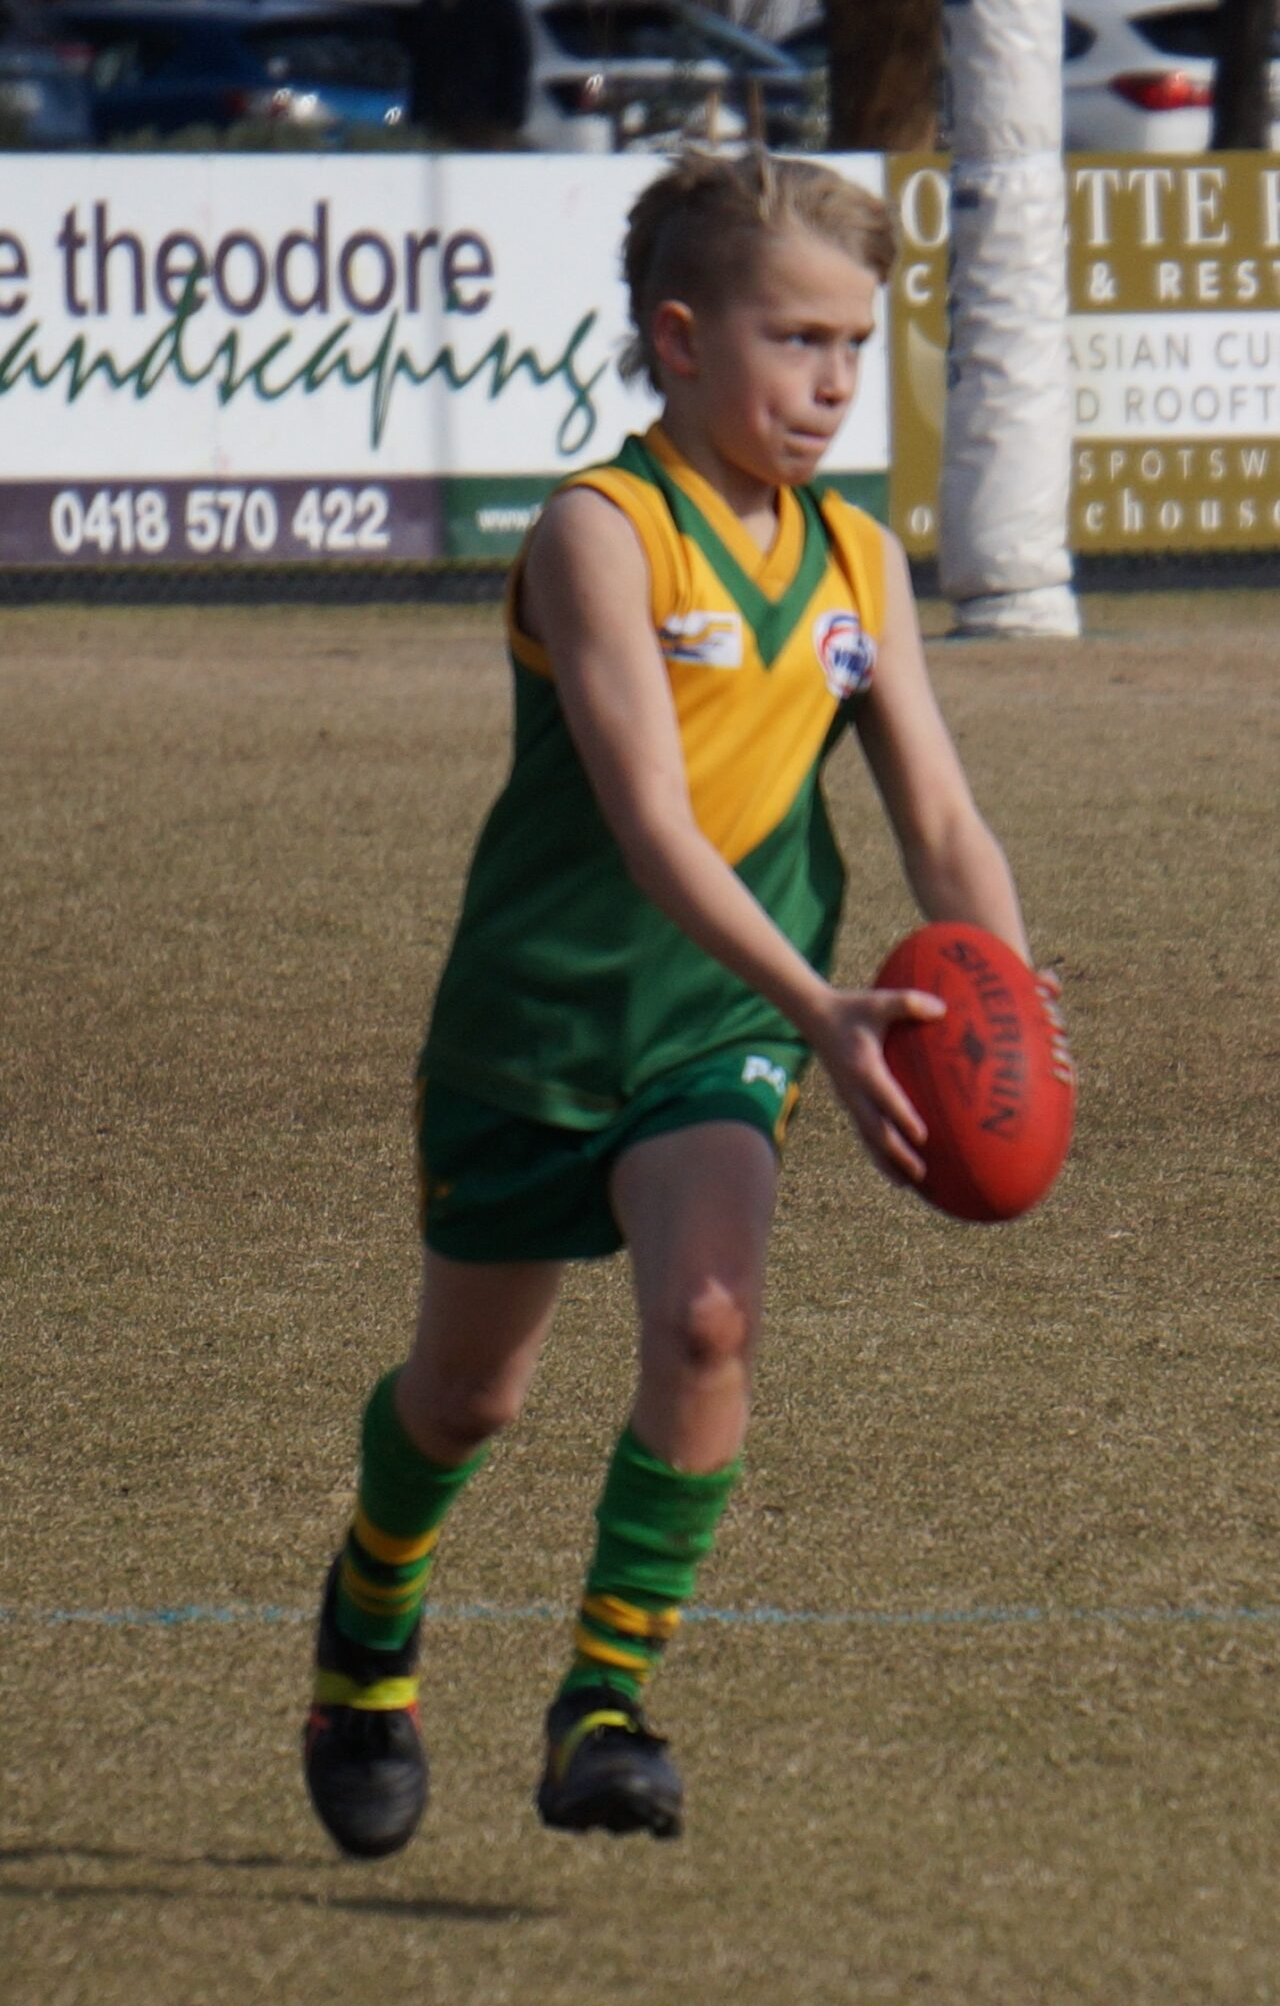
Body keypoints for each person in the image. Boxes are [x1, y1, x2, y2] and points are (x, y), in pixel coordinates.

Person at [302, 148, 1060, 1854]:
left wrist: (1005, 987)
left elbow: (941, 819)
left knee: (710, 1321)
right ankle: (367, 1631)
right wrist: (827, 1004)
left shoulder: (856, 561)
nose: (835, 382)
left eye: (855, 345)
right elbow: (652, 825)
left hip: (719, 1028)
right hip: (540, 1021)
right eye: (798, 339)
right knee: (466, 1397)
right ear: (681, 339)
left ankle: (605, 1701)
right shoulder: (602, 530)